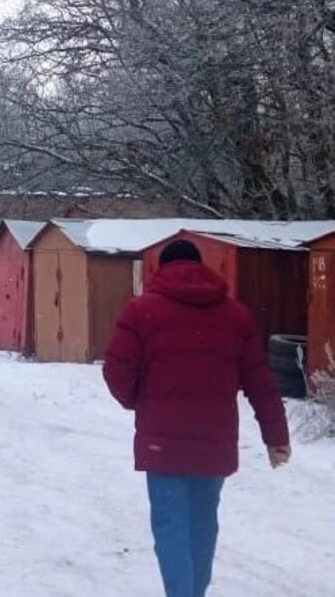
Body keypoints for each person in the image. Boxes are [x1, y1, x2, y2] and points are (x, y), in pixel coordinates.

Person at [104, 239, 291, 597]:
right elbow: (260, 380)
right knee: (202, 525)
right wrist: (276, 436)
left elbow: (116, 370)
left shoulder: (142, 311)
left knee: (171, 525)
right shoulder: (235, 315)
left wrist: (138, 401)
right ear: (201, 267)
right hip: (214, 441)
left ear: (162, 268)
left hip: (162, 439)